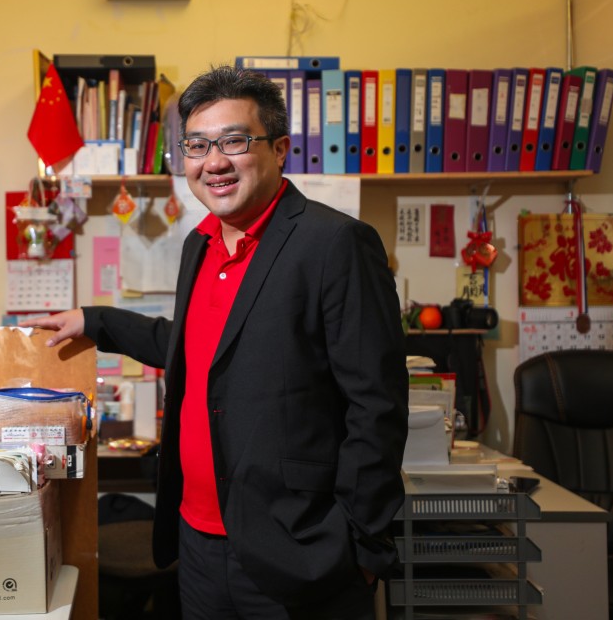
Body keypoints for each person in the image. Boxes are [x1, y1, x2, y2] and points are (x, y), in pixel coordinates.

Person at [22, 65, 408, 619]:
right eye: (198, 146)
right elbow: (194, 348)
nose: (214, 162)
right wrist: (97, 320)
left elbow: (378, 406)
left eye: (234, 141)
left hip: (300, 551)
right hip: (197, 546)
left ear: (278, 149)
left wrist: (362, 547)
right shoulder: (199, 246)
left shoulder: (335, 244)